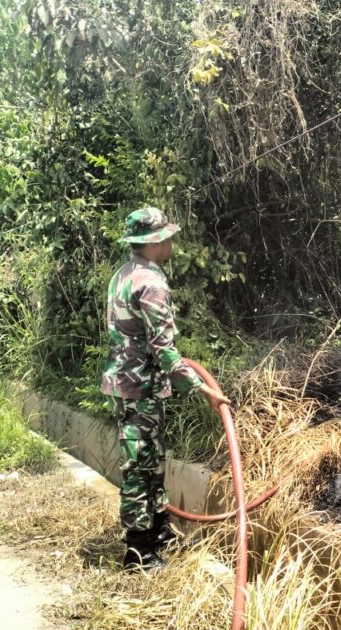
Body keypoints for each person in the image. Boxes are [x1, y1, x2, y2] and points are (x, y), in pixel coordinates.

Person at [101, 207, 230, 571]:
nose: (172, 241)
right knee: (140, 467)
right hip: (139, 387)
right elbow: (163, 349)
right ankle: (139, 552)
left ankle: (157, 530)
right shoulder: (152, 284)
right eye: (167, 236)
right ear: (154, 241)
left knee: (152, 460)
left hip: (127, 383)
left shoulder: (123, 275)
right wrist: (204, 390)